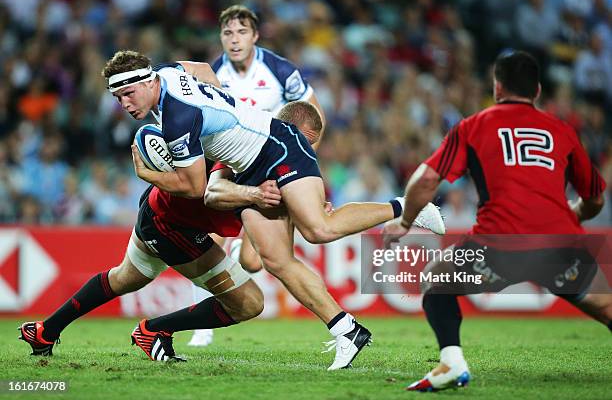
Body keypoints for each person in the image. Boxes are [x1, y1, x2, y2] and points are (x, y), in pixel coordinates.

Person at [104, 50, 445, 370]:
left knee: (318, 229)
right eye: (118, 97)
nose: (124, 103)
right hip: (247, 164)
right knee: (275, 261)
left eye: (129, 92)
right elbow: (204, 70)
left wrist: (147, 173)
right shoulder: (167, 72)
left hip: (274, 146)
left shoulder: (177, 116)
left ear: (148, 82)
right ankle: (348, 332)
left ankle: (409, 207)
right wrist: (226, 107)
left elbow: (193, 187)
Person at [17, 100, 317, 362]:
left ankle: (44, 331)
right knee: (249, 302)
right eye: (306, 142)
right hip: (173, 224)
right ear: (285, 130)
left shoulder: (263, 146)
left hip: (159, 211)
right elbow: (215, 191)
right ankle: (154, 330)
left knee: (125, 277)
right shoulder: (247, 147)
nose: (308, 152)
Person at [382, 51, 612, 391]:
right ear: (536, 90)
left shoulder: (474, 126)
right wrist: (572, 215)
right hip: (559, 245)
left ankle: (452, 363)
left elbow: (427, 179)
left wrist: (405, 222)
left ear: (497, 87)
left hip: (498, 246)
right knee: (606, 306)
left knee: (435, 280)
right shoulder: (562, 131)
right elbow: (594, 198)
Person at [183, 4, 327, 346]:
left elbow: (314, 116)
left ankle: (236, 260)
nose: (234, 40)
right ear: (220, 37)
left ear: (255, 36)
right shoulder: (215, 71)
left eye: (241, 32)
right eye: (228, 33)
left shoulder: (279, 69)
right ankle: (202, 323)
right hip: (230, 165)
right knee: (207, 241)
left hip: (273, 167)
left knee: (253, 260)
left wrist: (301, 165)